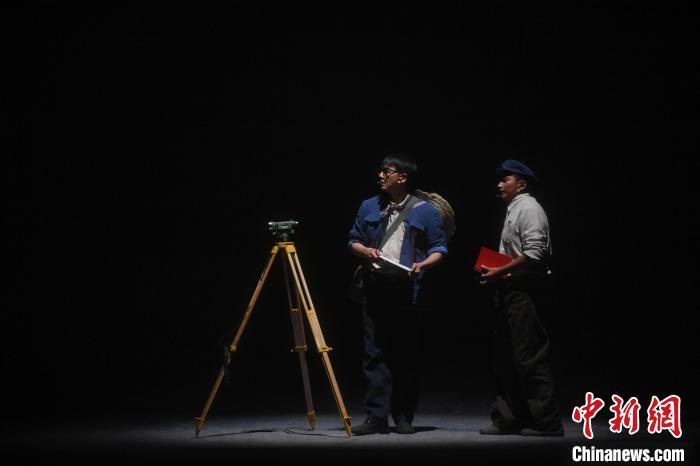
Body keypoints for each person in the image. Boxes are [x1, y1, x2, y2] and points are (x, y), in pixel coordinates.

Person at [347, 153, 448, 435]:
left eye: (387, 171)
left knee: (405, 353)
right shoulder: (369, 205)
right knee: (373, 353)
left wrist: (423, 265)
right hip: (375, 286)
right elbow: (353, 240)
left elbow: (439, 248)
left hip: (406, 289)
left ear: (402, 177)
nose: (380, 175)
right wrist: (365, 250)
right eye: (380, 171)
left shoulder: (425, 211)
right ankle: (376, 417)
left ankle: (403, 416)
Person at [479, 159, 564, 437]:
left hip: (526, 289)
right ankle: (508, 418)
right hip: (509, 288)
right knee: (504, 357)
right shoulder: (513, 208)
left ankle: (547, 422)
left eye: (505, 179)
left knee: (529, 357)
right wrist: (497, 273)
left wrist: (499, 271)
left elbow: (534, 254)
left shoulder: (529, 208)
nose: (499, 184)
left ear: (522, 184)